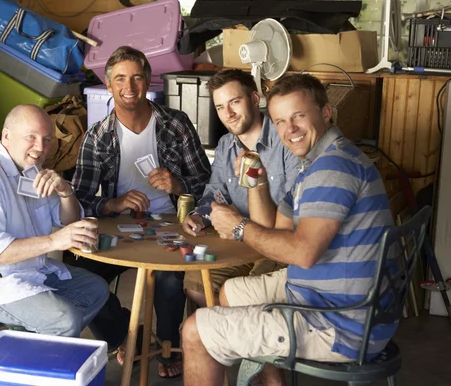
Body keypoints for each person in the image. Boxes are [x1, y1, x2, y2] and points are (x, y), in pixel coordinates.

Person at [181, 74, 395, 386]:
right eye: (280, 121)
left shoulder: (333, 168)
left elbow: (302, 252)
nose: (288, 130)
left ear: (325, 113)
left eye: (298, 117)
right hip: (330, 297)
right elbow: (274, 229)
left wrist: (239, 227)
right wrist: (256, 178)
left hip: (341, 322)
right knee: (231, 291)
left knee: (195, 331)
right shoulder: (316, 162)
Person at [71, 46, 211, 378]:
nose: (129, 86)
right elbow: (78, 199)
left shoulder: (176, 125)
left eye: (136, 77)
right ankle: (123, 336)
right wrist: (112, 204)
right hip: (118, 228)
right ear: (108, 85)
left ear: (149, 80)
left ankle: (166, 345)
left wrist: (177, 185)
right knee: (77, 275)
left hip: (172, 223)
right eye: (120, 79)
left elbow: (208, 183)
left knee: (167, 278)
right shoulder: (98, 136)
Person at [0, 104, 109, 337]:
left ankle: (38, 347)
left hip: (28, 271)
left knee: (95, 289)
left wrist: (64, 191)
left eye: (47, 140)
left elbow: (68, 222)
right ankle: (42, 354)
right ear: (6, 136)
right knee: (64, 319)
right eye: (31, 137)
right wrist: (53, 241)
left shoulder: (32, 171)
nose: (40, 148)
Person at [181, 69, 298, 309]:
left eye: (234, 102)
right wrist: (198, 216)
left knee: (246, 296)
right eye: (220, 107)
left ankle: (234, 336)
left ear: (255, 99)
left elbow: (296, 212)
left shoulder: (284, 138)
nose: (229, 114)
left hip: (280, 245)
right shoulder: (225, 145)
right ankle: (219, 338)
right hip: (241, 241)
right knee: (195, 284)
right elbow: (214, 193)